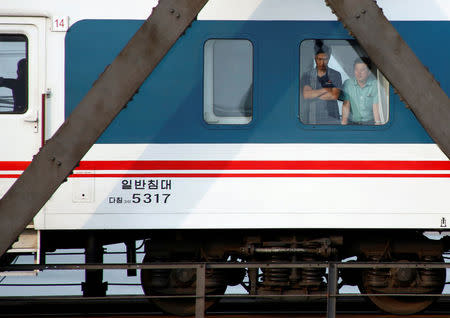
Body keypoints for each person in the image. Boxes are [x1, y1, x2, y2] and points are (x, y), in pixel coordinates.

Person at [301, 41, 342, 124]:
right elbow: (306, 95)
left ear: (329, 57)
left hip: (333, 120)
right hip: (312, 121)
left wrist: (314, 94)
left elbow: (334, 95)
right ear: (314, 57)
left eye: (325, 59)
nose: (322, 63)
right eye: (319, 59)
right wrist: (326, 90)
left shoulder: (335, 74)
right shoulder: (307, 75)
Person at [341, 57, 381, 125]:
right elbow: (346, 105)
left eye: (362, 70)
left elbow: (376, 107)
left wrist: (378, 125)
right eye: (356, 70)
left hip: (369, 122)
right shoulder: (348, 84)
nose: (359, 73)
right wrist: (343, 125)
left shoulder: (375, 85)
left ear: (369, 72)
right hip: (352, 123)